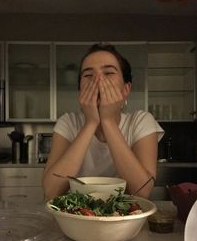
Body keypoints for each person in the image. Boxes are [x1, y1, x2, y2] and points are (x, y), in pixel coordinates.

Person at [43, 43, 164, 199]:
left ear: (126, 89)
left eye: (108, 73)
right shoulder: (68, 122)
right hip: (77, 217)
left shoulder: (141, 121)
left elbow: (142, 191)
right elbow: (50, 192)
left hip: (124, 219)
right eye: (88, 75)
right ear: (80, 88)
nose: (98, 80)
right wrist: (90, 123)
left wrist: (108, 122)